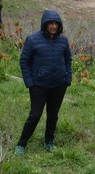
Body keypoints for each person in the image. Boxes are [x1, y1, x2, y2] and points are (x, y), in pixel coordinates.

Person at [16, 10, 72, 154]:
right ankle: (22, 143)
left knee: (53, 115)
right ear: (45, 24)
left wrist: (67, 78)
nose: (53, 26)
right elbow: (24, 61)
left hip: (58, 85)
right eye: (50, 23)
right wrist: (29, 82)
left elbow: (68, 60)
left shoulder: (63, 40)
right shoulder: (33, 39)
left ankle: (49, 141)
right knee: (35, 115)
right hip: (39, 86)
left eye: (56, 24)